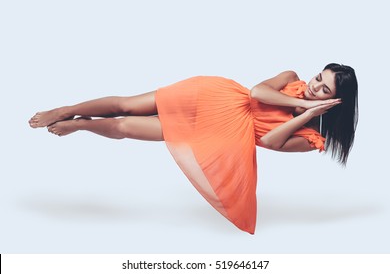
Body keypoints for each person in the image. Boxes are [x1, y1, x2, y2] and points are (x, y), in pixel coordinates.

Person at [29, 63, 358, 234]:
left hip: (219, 132)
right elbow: (257, 93)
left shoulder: (312, 139)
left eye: (322, 89)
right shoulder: (292, 78)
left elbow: (271, 142)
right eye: (319, 77)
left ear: (334, 102)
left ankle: (82, 124)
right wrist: (297, 101)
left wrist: (310, 114)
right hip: (214, 96)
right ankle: (64, 109)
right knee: (127, 105)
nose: (313, 86)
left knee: (124, 127)